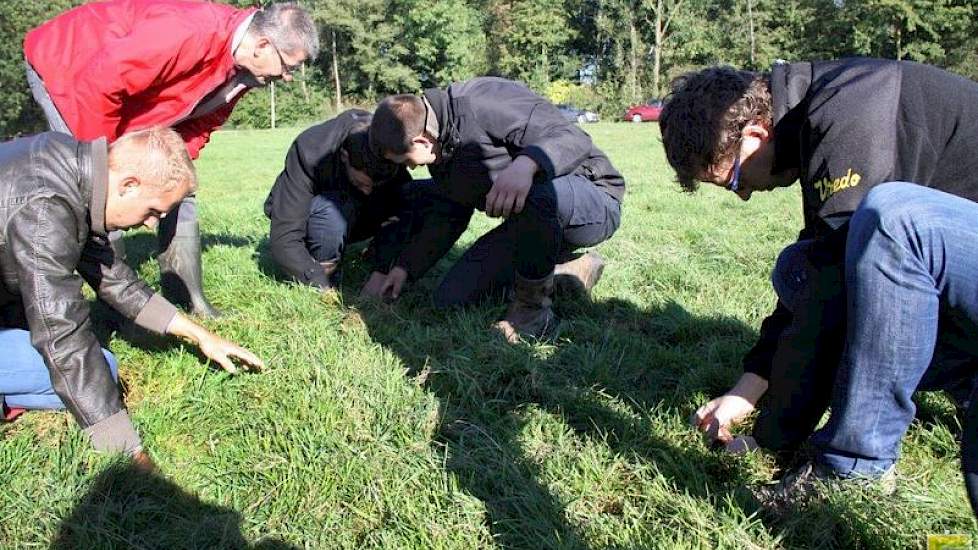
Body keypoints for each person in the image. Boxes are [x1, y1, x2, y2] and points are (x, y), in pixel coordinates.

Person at [658, 58, 978, 498]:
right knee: (802, 267)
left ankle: (855, 470)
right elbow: (820, 263)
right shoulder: (819, 113)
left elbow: (832, 292)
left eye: (733, 181)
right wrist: (751, 384)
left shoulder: (848, 105)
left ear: (755, 135)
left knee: (890, 226)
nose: (746, 195)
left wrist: (773, 435)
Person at [23, 0, 319, 317]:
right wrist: (109, 163)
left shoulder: (245, 72)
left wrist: (175, 175)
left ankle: (189, 301)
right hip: (68, 69)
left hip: (122, 93)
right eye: (288, 67)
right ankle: (118, 311)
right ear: (262, 45)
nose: (287, 77)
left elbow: (201, 123)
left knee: (179, 189)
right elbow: (100, 81)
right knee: (102, 191)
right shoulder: (189, 31)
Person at [0, 128, 264, 469]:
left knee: (94, 370)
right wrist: (128, 451)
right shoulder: (46, 209)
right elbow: (60, 332)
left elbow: (114, 278)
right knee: (100, 369)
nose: (151, 224)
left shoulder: (71, 167)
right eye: (154, 210)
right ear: (129, 185)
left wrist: (201, 335)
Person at [365, 77, 625, 342]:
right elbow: (449, 215)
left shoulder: (483, 102)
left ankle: (533, 313)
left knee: (536, 194)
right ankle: (568, 270)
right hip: (531, 223)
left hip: (592, 198)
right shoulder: (441, 149)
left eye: (406, 160)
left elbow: (573, 137)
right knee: (450, 299)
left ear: (421, 141)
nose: (409, 168)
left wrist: (527, 163)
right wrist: (405, 268)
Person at [264, 110, 415, 290]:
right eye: (361, 183)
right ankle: (325, 268)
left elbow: (404, 213)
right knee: (330, 210)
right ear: (345, 157)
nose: (368, 191)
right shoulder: (311, 150)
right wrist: (317, 280)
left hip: (357, 214)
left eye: (375, 186)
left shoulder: (388, 146)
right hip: (315, 214)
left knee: (415, 198)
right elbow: (285, 236)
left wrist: (383, 267)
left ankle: (372, 254)